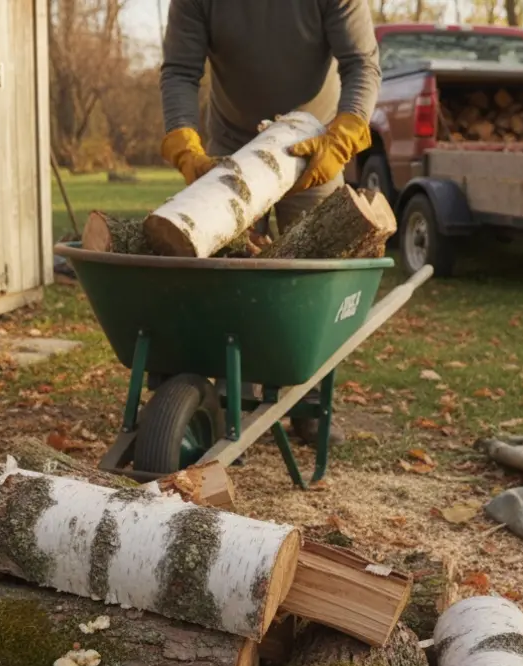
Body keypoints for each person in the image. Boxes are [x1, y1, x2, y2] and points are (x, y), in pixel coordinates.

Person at [158, 0, 381, 445]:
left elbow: (362, 65)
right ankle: (226, 399)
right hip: (232, 145)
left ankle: (308, 402)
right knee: (229, 272)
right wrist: (185, 144)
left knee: (313, 274)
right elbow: (180, 71)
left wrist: (343, 137)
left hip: (315, 143)